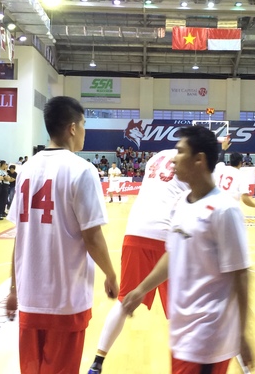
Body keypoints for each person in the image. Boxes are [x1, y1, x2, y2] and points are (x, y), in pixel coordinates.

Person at [122, 125, 253, 373]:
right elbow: (172, 254)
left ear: (199, 160)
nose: (173, 158)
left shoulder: (225, 210)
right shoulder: (181, 203)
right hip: (182, 335)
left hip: (208, 339)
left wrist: (243, 334)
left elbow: (241, 275)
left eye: (180, 152)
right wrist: (141, 289)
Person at [5, 96, 118, 374]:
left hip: (30, 296)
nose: (85, 131)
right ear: (72, 128)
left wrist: (14, 288)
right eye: (84, 124)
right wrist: (111, 274)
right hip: (65, 298)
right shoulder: (83, 170)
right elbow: (92, 236)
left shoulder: (26, 169)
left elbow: (20, 237)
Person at [87, 149, 188, 374]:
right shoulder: (192, 159)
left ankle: (97, 362)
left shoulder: (156, 156)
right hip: (167, 234)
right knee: (181, 308)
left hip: (136, 228)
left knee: (124, 301)